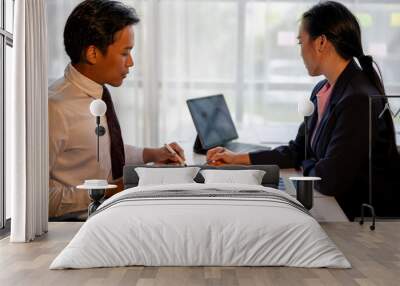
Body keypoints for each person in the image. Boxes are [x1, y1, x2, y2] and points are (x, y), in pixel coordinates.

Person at [206, 1, 400, 220]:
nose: (300, 52)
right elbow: (298, 150)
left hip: (359, 221)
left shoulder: (357, 99)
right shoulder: (324, 89)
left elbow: (329, 180)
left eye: (300, 42)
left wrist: (306, 164)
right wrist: (236, 158)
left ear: (321, 43)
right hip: (336, 206)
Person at [49, 0, 185, 218]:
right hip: (79, 230)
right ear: (93, 54)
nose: (130, 63)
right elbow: (40, 200)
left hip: (112, 215)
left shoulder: (97, 91)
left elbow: (104, 151)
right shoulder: (55, 108)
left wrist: (152, 154)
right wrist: (113, 190)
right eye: (125, 53)